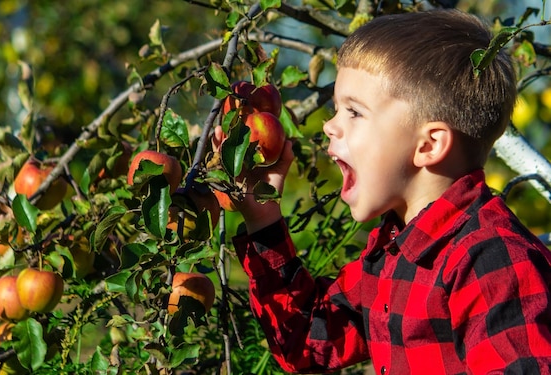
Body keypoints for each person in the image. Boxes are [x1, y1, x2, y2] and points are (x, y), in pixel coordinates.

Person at [225, 9, 551, 375]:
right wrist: (262, 215)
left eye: (354, 112)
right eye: (335, 109)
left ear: (428, 145)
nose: (330, 126)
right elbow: (309, 341)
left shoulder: (493, 261)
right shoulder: (394, 252)